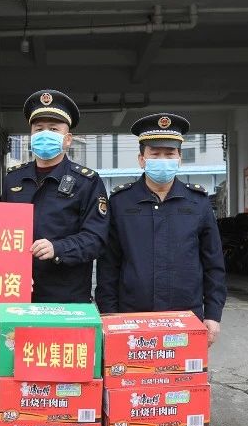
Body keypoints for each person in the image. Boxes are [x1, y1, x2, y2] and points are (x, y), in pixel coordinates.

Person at [95, 113, 227, 345]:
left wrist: (213, 315)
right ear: (142, 159)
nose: (163, 160)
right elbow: (109, 265)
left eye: (170, 153)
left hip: (186, 318)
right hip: (132, 318)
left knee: (183, 369)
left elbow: (213, 263)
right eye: (155, 154)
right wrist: (108, 313)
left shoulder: (198, 202)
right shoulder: (121, 202)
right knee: (132, 369)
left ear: (179, 158)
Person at [2, 89, 108, 303]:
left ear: (67, 139)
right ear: (31, 136)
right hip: (17, 294)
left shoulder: (87, 182)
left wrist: (58, 248)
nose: (45, 134)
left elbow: (96, 239)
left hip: (66, 298)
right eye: (39, 129)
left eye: (53, 129)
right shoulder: (13, 179)